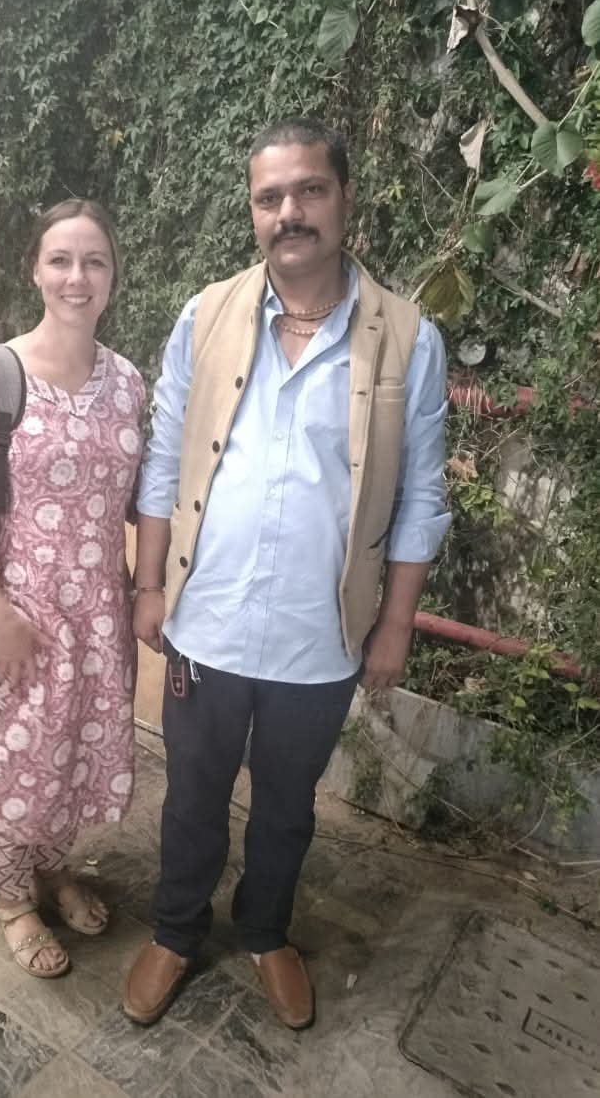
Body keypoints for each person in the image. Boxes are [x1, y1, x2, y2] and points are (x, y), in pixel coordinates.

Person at [123, 117, 451, 1028]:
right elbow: (162, 459)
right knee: (191, 795)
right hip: (208, 618)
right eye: (269, 197)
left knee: (286, 804)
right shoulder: (205, 316)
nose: (289, 212)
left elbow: (422, 496)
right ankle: (175, 931)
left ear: (344, 199)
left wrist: (393, 625)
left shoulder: (408, 338)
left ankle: (266, 931)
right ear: (252, 211)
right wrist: (148, 584)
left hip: (320, 631)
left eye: (309, 190)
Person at [0, 199, 146, 978]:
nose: (77, 277)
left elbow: (143, 497)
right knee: (18, 768)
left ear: (113, 275)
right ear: (34, 271)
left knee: (71, 756)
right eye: (60, 260)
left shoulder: (127, 383)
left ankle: (51, 865)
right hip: (17, 621)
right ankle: (12, 897)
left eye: (94, 261)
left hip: (98, 621)